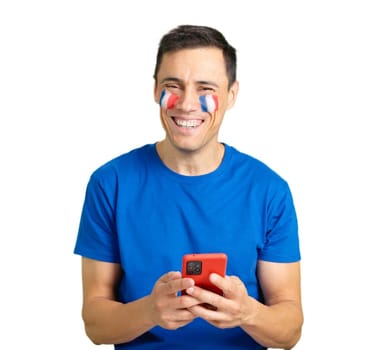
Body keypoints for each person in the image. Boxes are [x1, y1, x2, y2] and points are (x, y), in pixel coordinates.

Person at [73, 24, 303, 350]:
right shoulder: (110, 184)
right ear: (155, 90)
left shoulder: (269, 191)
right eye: (173, 86)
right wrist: (150, 311)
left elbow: (290, 330)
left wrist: (247, 313)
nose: (187, 104)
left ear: (231, 95)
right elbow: (95, 324)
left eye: (205, 88)